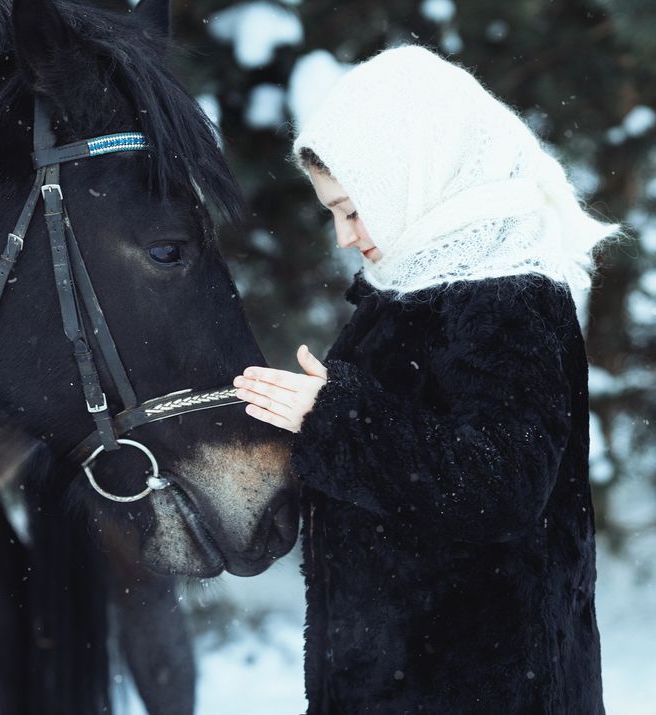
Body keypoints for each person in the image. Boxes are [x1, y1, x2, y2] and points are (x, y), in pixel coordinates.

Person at [233, 45, 617, 714]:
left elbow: (498, 485)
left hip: (480, 689)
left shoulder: (507, 298)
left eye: (352, 208)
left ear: (408, 175)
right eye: (332, 213)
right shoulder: (413, 290)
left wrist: (334, 416)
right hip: (403, 683)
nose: (345, 236)